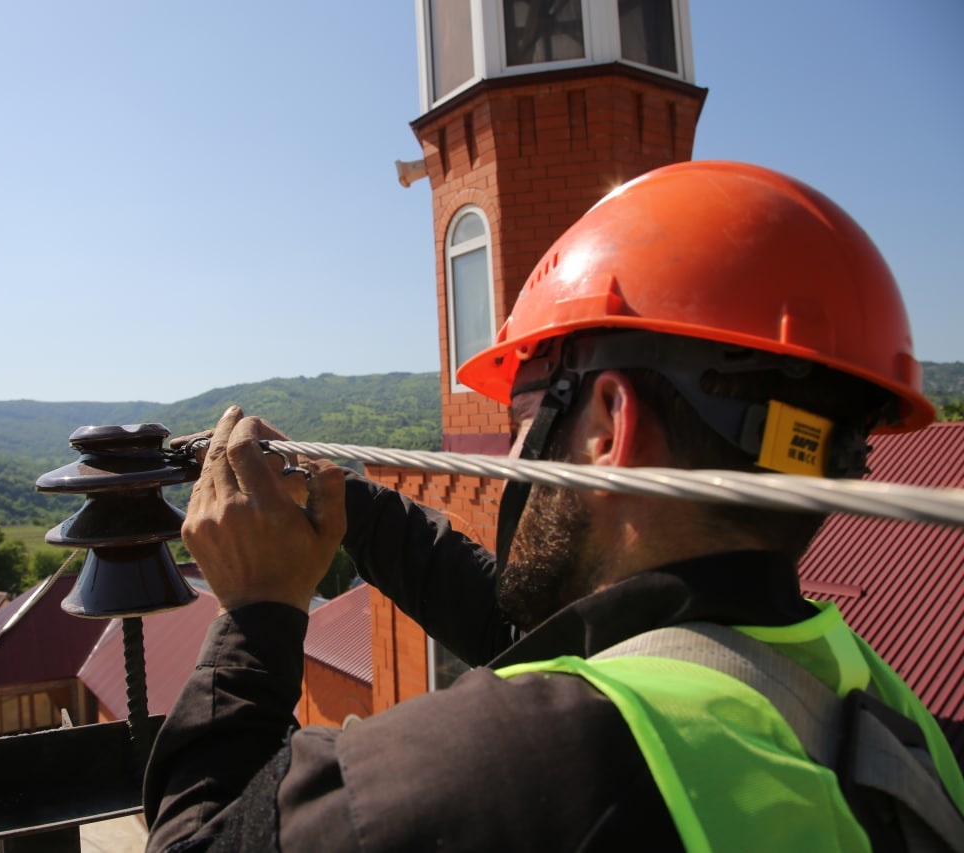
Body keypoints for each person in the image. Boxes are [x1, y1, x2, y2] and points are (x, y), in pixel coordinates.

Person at [142, 161, 964, 851]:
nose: (513, 446)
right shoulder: (894, 724)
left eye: (529, 410)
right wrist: (345, 505)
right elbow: (538, 637)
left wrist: (257, 613)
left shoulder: (494, 767)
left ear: (608, 423)